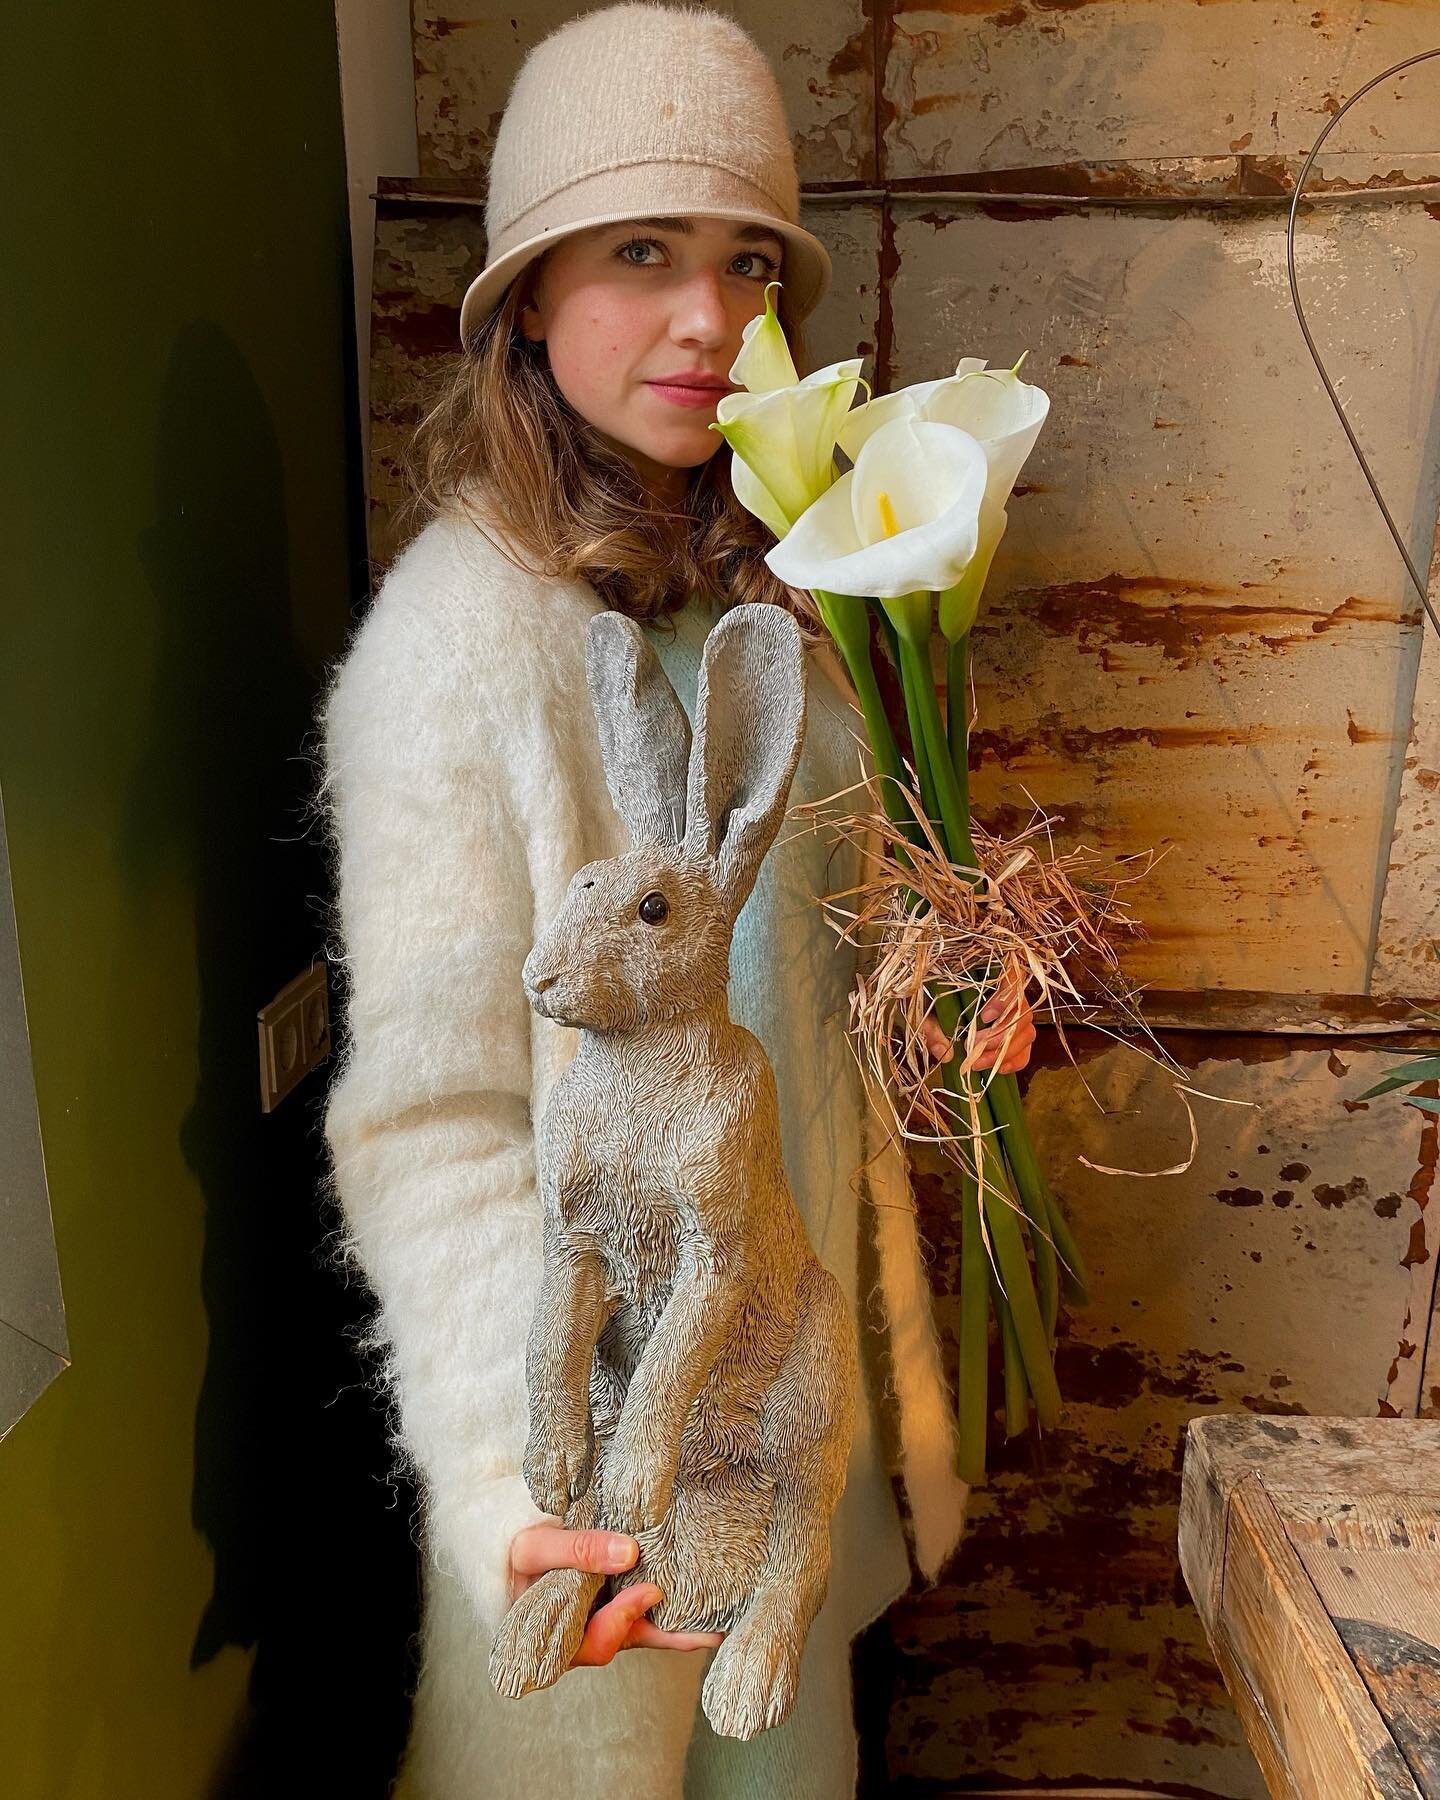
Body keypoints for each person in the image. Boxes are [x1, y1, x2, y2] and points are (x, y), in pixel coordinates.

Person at [316, 5, 1035, 1795]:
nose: (709, 319)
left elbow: (818, 966)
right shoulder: (451, 651)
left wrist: (949, 1008)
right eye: (643, 252)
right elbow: (433, 1121)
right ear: (532, 292)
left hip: (777, 1419)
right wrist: (513, 1476)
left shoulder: (787, 600)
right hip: (595, 1465)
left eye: (740, 263)